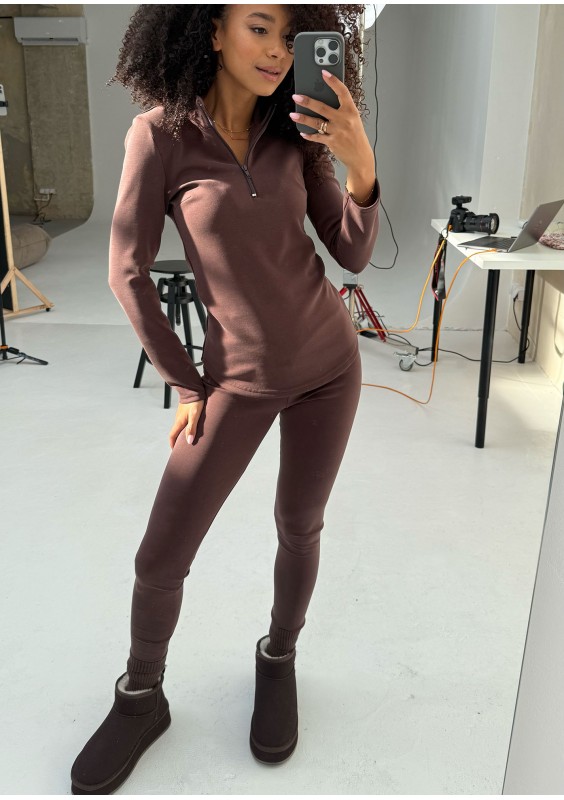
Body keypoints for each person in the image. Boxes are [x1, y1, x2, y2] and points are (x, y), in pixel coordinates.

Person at [70, 4, 379, 794]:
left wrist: (360, 166)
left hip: (328, 366)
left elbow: (350, 251)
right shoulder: (160, 136)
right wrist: (184, 381)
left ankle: (278, 658)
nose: (278, 52)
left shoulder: (296, 129)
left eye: (290, 36)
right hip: (235, 380)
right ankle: (141, 697)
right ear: (212, 31)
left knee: (299, 526)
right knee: (160, 557)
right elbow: (127, 271)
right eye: (260, 28)